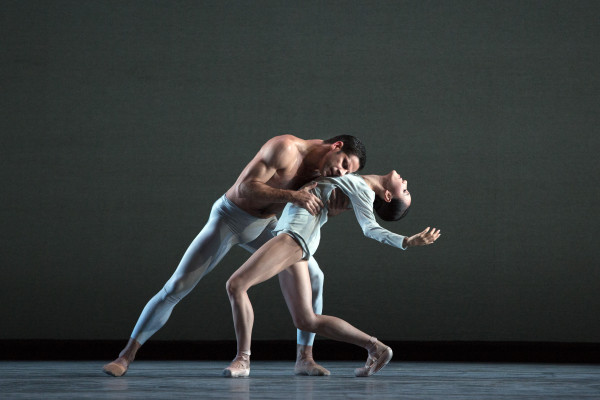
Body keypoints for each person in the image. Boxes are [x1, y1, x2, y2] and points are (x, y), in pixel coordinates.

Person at [102, 134, 367, 377]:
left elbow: (316, 211)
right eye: (343, 163)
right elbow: (246, 188)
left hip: (266, 226)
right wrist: (292, 196)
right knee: (176, 286)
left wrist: (330, 211)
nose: (340, 172)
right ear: (336, 146)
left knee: (314, 274)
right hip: (230, 218)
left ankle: (304, 358)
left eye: (347, 171)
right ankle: (125, 356)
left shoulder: (322, 174)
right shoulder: (285, 148)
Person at [224, 171, 440, 377]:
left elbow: (370, 228)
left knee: (236, 285)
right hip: (297, 237)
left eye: (405, 191)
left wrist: (405, 241)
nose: (406, 184)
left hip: (294, 236)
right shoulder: (357, 180)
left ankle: (243, 360)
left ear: (387, 195)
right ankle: (375, 347)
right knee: (306, 320)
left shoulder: (363, 189)